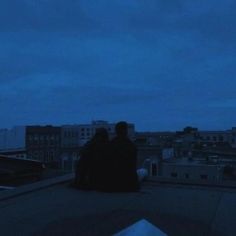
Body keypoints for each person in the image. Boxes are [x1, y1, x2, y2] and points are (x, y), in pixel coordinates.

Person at [106, 121, 140, 192]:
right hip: (129, 184)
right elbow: (133, 165)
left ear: (116, 131)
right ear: (126, 131)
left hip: (112, 183)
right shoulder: (131, 146)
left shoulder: (110, 144)